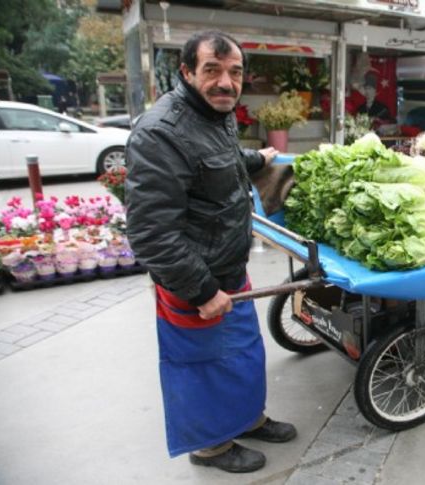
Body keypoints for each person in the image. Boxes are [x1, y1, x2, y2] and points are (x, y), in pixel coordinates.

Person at [125, 30, 295, 474]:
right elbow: (150, 233)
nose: (226, 82)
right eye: (212, 70)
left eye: (234, 72)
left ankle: (246, 419)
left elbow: (218, 158)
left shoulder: (215, 113)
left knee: (241, 352)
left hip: (228, 265)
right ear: (186, 72)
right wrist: (201, 291)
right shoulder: (160, 133)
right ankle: (210, 446)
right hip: (193, 279)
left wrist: (258, 159)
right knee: (201, 364)